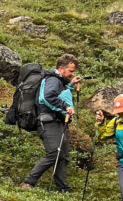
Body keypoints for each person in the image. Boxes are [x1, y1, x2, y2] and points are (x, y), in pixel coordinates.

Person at [21, 54, 83, 192]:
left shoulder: (58, 80)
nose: (72, 74)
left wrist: (71, 85)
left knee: (63, 156)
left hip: (57, 121)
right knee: (54, 152)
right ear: (61, 68)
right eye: (70, 71)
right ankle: (28, 182)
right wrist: (65, 107)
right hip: (49, 122)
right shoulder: (53, 79)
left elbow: (58, 94)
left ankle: (62, 188)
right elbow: (47, 97)